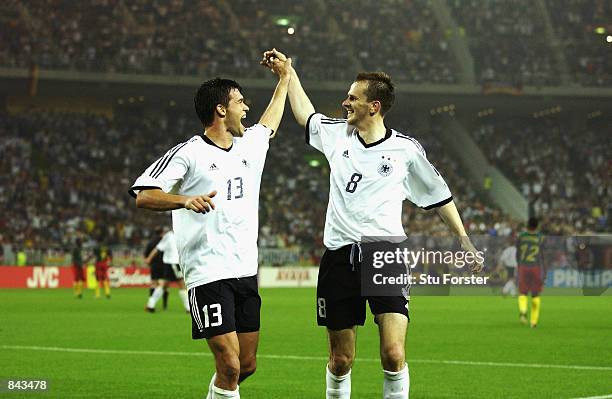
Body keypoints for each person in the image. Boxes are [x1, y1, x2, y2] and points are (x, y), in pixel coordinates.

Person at [262, 48, 482, 399]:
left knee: (393, 354)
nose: (345, 102)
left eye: (352, 98)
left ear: (373, 106)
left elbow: (440, 195)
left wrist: (464, 240)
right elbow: (305, 114)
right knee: (341, 359)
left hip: (385, 256)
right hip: (339, 258)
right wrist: (289, 74)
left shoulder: (406, 150)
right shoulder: (337, 135)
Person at [129, 56, 292, 399]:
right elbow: (144, 195)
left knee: (246, 365)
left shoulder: (250, 145)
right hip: (207, 272)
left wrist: (285, 77)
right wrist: (184, 200)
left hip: (246, 270)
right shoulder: (189, 153)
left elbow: (271, 119)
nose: (246, 108)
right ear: (221, 110)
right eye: (240, 102)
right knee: (229, 365)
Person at [145, 229, 190, 313]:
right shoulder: (171, 236)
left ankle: (150, 305)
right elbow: (157, 248)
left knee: (164, 285)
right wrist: (149, 258)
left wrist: (149, 258)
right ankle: (188, 308)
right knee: (182, 285)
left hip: (169, 264)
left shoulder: (173, 235)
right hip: (173, 263)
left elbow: (158, 248)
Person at [517, 217, 544, 328]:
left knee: (523, 292)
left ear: (527, 225)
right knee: (535, 294)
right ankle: (533, 322)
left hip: (523, 266)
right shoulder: (540, 238)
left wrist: (519, 264)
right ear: (537, 226)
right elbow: (543, 255)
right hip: (535, 267)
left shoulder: (521, 237)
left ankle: (523, 312)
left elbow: (518, 252)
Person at [143, 227, 168, 310]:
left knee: (154, 284)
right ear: (162, 232)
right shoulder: (165, 241)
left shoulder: (151, 242)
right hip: (164, 265)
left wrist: (148, 261)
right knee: (164, 285)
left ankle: (151, 303)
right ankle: (164, 305)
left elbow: (146, 254)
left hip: (154, 265)